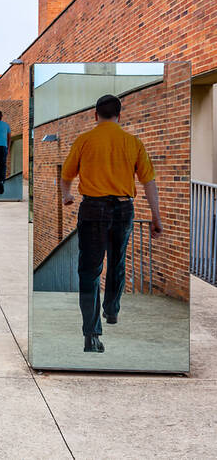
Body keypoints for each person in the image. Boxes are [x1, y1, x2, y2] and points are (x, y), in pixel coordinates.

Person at [60, 94, 162, 353]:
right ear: (120, 115)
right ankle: (112, 311)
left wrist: (67, 195)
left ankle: (91, 335)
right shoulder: (132, 142)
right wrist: (155, 215)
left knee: (89, 271)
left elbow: (66, 175)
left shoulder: (84, 140)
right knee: (117, 261)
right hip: (123, 208)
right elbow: (148, 181)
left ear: (95, 115)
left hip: (93, 209)